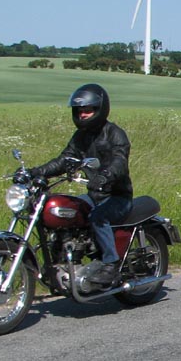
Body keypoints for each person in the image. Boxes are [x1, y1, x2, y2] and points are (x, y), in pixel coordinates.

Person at [30, 84, 133, 285]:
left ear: (100, 109)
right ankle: (64, 259)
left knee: (98, 217)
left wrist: (106, 176)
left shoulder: (114, 133)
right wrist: (37, 172)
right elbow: (64, 160)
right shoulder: (81, 136)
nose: (83, 114)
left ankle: (111, 264)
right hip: (94, 196)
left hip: (118, 197)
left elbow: (119, 161)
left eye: (88, 110)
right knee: (67, 212)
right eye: (79, 110)